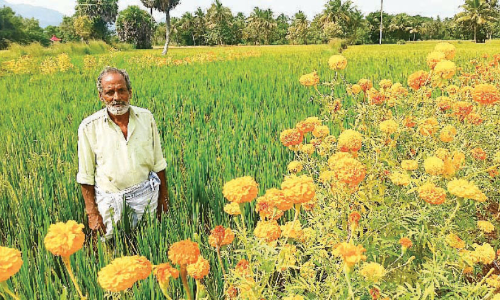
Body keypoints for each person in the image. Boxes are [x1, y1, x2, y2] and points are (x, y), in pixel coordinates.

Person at [77, 67, 168, 239]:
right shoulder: (89, 127)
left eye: (121, 91)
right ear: (101, 96)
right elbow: (86, 176)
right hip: (111, 201)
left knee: (147, 242)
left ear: (130, 92)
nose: (116, 98)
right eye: (109, 92)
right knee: (114, 250)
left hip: (145, 197)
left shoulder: (146, 118)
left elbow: (158, 164)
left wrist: (163, 200)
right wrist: (92, 214)